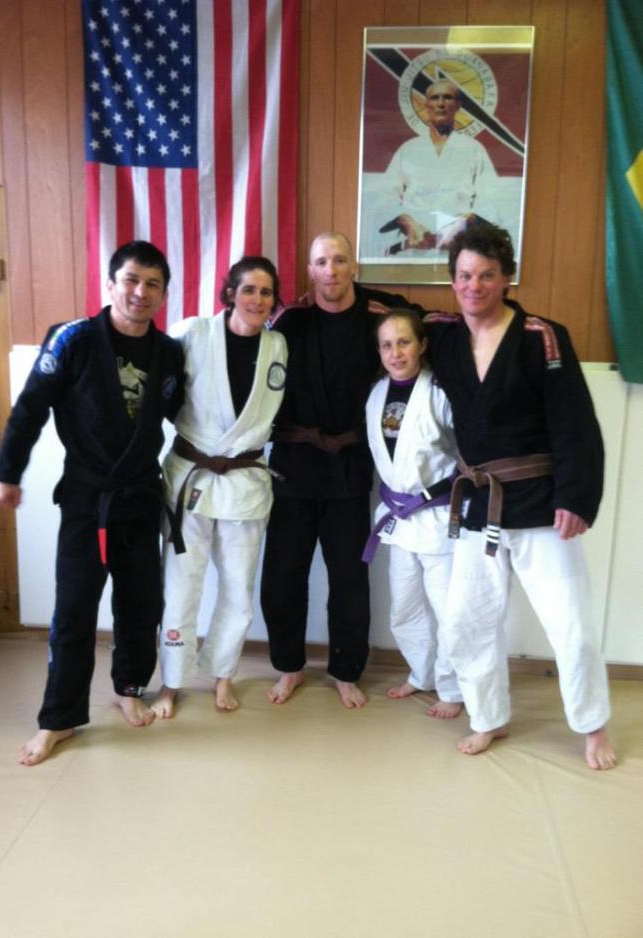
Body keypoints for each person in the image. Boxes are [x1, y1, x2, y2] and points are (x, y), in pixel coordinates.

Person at [424, 222, 616, 770]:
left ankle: (592, 725)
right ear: (452, 280)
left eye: (486, 275)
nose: (474, 286)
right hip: (477, 503)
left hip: (539, 503)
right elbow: (383, 318)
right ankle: (489, 715)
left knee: (570, 624)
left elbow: (576, 424)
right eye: (464, 276)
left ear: (506, 278)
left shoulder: (540, 337)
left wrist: (577, 497)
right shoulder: (442, 335)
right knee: (467, 620)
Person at [0, 241, 185, 766]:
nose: (140, 292)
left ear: (164, 294)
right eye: (131, 280)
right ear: (111, 283)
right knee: (75, 608)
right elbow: (30, 409)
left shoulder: (169, 353)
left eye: (152, 284)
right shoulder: (72, 339)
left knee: (141, 604)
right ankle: (59, 718)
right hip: (85, 499)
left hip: (140, 496)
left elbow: (184, 416)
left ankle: (129, 687)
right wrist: (7, 472)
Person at [260, 232, 419, 708]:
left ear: (354, 267)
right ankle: (289, 666)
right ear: (310, 271)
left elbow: (423, 328)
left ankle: (346, 671)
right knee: (282, 576)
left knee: (349, 579)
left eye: (339, 260)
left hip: (348, 467)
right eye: (321, 262)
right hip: (292, 466)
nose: (330, 270)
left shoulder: (378, 315)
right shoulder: (289, 320)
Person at [151, 257, 287, 718]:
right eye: (248, 289)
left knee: (237, 589)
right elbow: (160, 386)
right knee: (180, 586)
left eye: (266, 292)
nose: (257, 300)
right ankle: (171, 680)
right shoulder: (193, 333)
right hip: (191, 475)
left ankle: (223, 674)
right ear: (230, 293)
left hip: (245, 483)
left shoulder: (278, 346)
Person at [364, 308, 462, 717]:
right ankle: (421, 673)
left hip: (438, 518)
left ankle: (452, 689)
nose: (396, 352)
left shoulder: (441, 392)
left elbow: (466, 456)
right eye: (387, 345)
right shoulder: (376, 394)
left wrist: (434, 493)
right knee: (404, 607)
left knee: (448, 610)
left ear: (422, 345)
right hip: (398, 521)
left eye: (404, 342)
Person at [374, 80, 499, 255]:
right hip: (414, 244)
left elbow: (490, 199)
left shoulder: (473, 149)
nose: (441, 104)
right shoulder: (408, 149)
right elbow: (384, 198)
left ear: (458, 105)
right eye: (435, 98)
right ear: (426, 104)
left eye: (448, 97)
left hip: (459, 246)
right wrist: (407, 222)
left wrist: (462, 224)